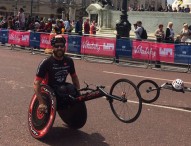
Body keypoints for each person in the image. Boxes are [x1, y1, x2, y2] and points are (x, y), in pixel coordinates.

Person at [33, 35, 80, 112]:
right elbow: (36, 83)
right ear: (52, 47)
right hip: (49, 90)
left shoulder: (69, 61)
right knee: (63, 89)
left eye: (61, 46)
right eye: (56, 46)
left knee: (72, 89)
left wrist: (78, 92)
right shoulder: (46, 62)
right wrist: (41, 102)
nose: (59, 48)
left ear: (64, 47)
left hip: (62, 88)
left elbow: (74, 77)